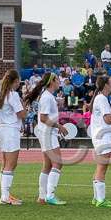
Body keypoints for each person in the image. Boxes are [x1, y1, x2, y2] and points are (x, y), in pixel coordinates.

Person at [25, 72, 68, 205]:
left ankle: (42, 196)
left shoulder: (47, 96)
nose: (59, 82)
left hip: (47, 133)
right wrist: (59, 126)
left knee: (48, 165)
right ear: (52, 82)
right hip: (48, 133)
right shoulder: (47, 97)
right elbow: (43, 118)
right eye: (57, 80)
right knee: (58, 162)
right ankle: (50, 195)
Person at [0, 70, 26, 205]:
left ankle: (5, 194)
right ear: (15, 81)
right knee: (11, 163)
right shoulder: (13, 95)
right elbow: (21, 114)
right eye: (18, 81)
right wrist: (25, 106)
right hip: (11, 130)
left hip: (3, 129)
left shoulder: (2, 93)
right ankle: (4, 196)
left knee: (5, 163)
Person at [90, 75, 111, 207]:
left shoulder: (98, 98)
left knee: (99, 166)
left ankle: (97, 197)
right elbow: (107, 119)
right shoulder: (102, 99)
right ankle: (101, 199)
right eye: (110, 83)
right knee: (103, 167)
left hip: (97, 134)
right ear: (106, 85)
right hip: (103, 135)